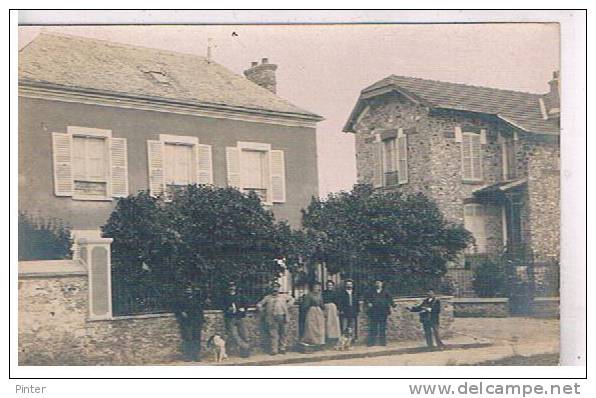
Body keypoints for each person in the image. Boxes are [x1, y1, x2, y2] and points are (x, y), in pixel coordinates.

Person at [256, 282, 294, 355]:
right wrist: (262, 310)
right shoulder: (267, 298)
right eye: (273, 288)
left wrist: (288, 306)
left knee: (284, 333)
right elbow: (259, 304)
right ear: (271, 289)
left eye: (276, 288)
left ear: (279, 289)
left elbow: (292, 299)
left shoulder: (283, 296)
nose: (275, 290)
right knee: (273, 334)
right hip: (272, 317)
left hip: (283, 316)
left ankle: (282, 348)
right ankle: (274, 350)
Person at [172, 282, 205, 362]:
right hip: (186, 321)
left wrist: (202, 320)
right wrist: (181, 312)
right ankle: (188, 355)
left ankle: (196, 355)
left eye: (190, 289)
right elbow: (176, 308)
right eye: (186, 289)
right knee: (187, 338)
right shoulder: (180, 299)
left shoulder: (196, 299)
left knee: (196, 338)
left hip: (196, 321)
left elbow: (200, 309)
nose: (188, 291)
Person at [221, 281, 251, 357]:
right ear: (228, 288)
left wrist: (243, 308)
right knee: (233, 335)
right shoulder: (225, 297)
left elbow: (247, 304)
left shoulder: (240, 296)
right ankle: (246, 347)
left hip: (240, 317)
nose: (231, 288)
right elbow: (222, 307)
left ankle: (244, 353)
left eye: (233, 286)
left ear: (235, 287)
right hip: (230, 318)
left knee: (244, 334)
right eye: (230, 287)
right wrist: (228, 309)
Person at [365, 279, 396, 346]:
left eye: (379, 283)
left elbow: (390, 299)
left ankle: (382, 342)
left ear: (382, 284)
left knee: (382, 328)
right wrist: (368, 303)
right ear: (374, 284)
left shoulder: (385, 291)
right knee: (373, 327)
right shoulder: (371, 292)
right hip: (374, 312)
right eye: (376, 283)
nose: (378, 284)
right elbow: (366, 299)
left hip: (383, 312)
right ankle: (372, 342)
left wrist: (393, 305)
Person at [299, 282, 326, 347]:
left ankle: (319, 341)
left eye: (318, 287)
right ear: (312, 288)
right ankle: (312, 341)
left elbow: (322, 305)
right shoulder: (309, 295)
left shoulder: (320, 296)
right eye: (316, 287)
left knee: (319, 326)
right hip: (311, 312)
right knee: (311, 327)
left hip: (319, 312)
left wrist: (322, 308)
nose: (317, 288)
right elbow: (305, 306)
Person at [322, 280, 341, 345]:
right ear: (326, 286)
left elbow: (338, 302)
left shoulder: (335, 293)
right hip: (326, 308)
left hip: (333, 309)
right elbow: (322, 301)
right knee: (327, 323)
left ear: (333, 286)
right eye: (328, 285)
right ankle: (327, 337)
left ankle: (334, 337)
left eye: (330, 285)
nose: (329, 286)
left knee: (334, 323)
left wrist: (338, 309)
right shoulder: (323, 293)